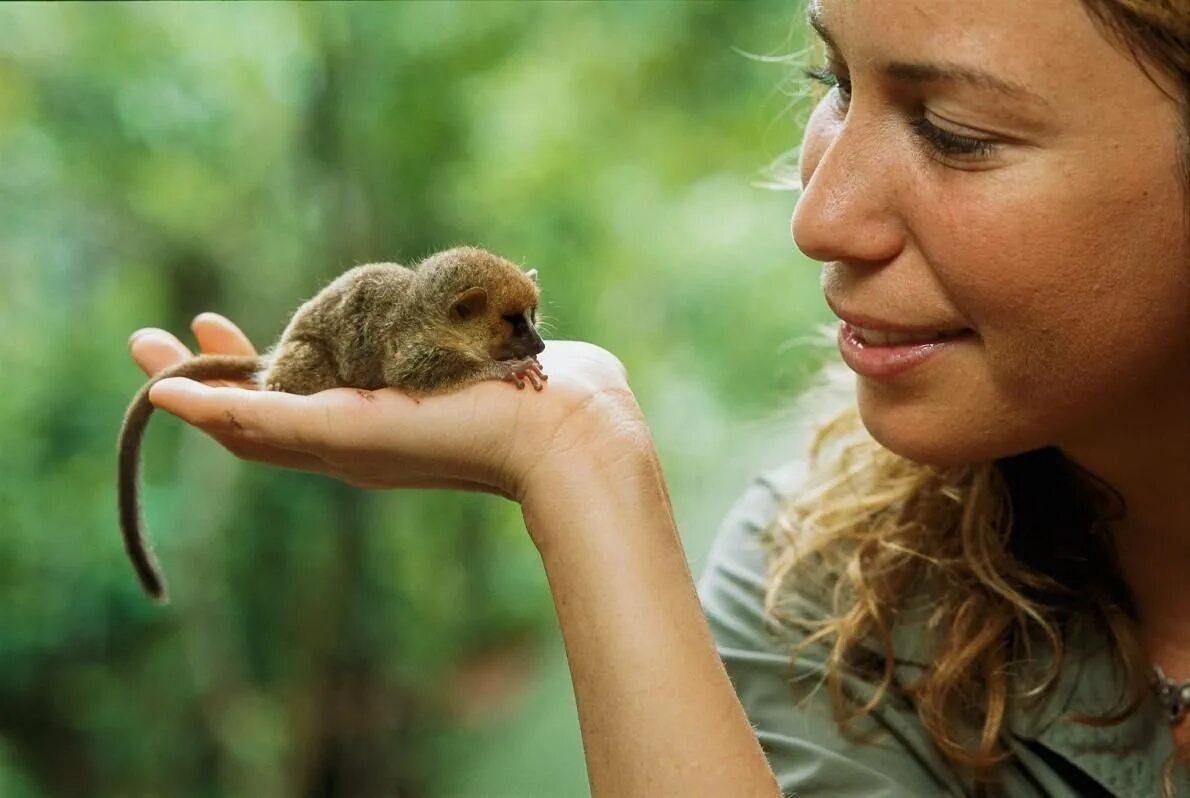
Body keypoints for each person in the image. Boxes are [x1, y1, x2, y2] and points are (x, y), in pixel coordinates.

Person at [127, 0, 1188, 795]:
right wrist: (579, 467)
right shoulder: (831, 583)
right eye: (831, 81)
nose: (815, 219)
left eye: (952, 128)